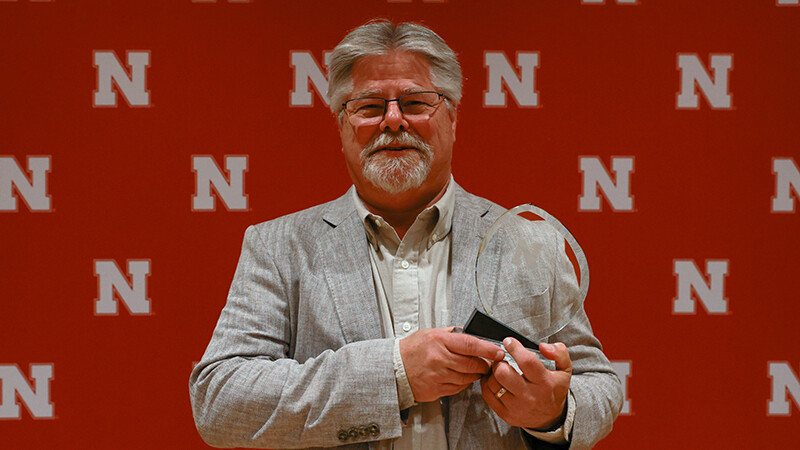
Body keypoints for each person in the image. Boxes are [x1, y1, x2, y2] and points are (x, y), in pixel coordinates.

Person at [189, 20, 622, 450]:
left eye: (415, 103)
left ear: (452, 114)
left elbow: (597, 384)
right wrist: (394, 373)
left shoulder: (531, 242)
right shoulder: (278, 247)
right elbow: (220, 401)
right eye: (370, 106)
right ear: (342, 124)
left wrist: (553, 413)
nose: (393, 121)